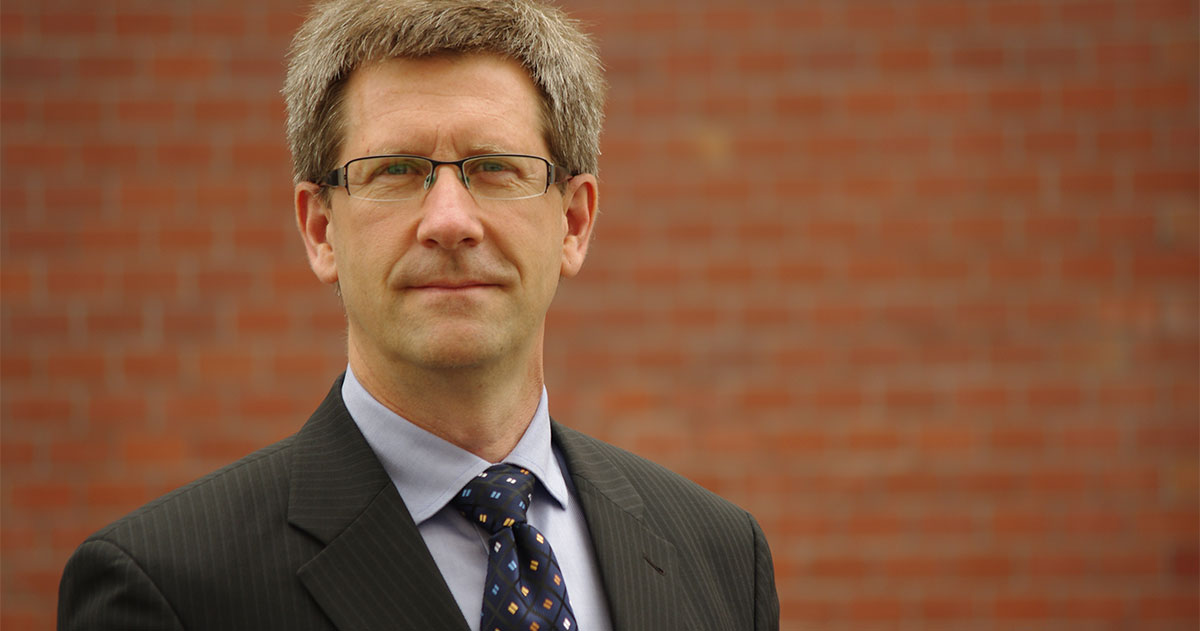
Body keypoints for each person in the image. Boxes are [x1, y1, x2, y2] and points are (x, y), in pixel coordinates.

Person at [57, 1, 780, 629]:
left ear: (574, 222)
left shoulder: (722, 557)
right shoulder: (166, 588)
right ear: (320, 229)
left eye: (494, 167)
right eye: (397, 171)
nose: (449, 221)